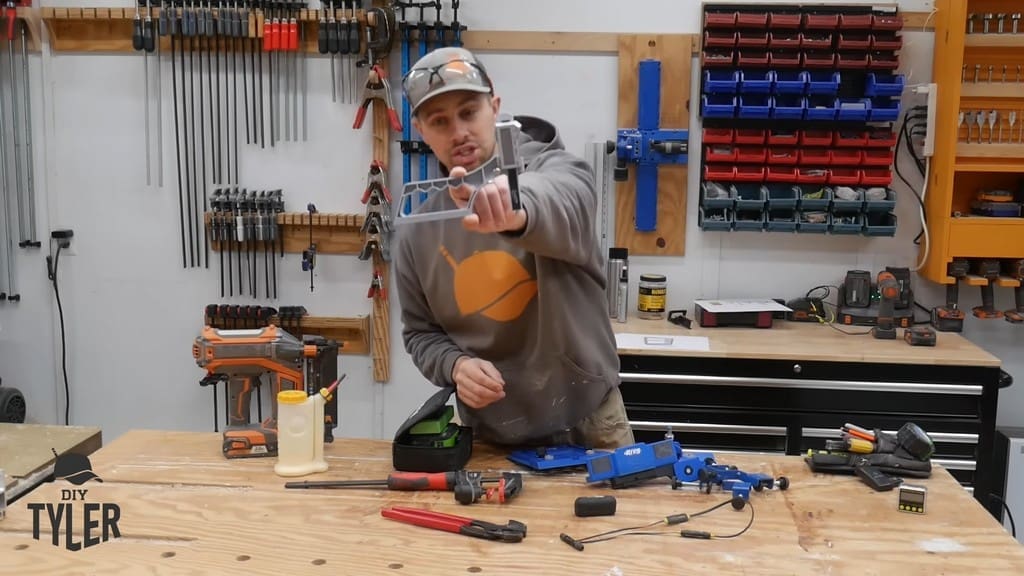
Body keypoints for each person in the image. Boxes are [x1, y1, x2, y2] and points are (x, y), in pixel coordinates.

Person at [393, 46, 635, 451]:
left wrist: (519, 209)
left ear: (495, 106)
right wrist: (456, 366)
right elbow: (421, 333)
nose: (458, 132)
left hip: (590, 422)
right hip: (492, 433)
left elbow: (567, 197)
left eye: (469, 112)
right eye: (440, 121)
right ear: (420, 130)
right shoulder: (418, 232)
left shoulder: (556, 169)